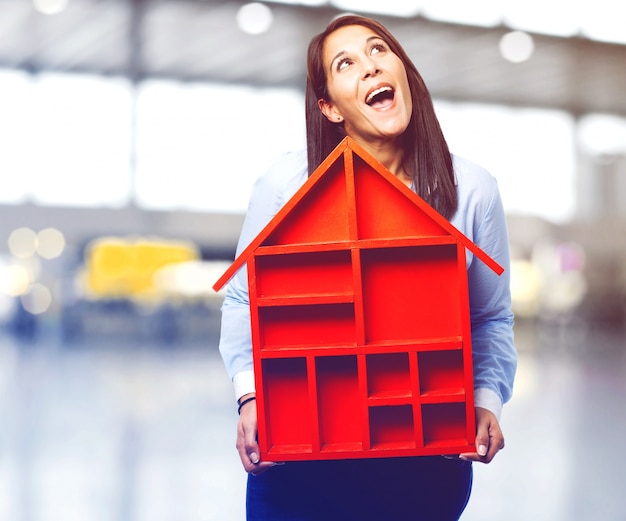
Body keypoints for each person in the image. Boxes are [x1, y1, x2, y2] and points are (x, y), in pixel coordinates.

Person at [218, 14, 517, 521]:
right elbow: (244, 298)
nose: (370, 67)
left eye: (379, 50)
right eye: (347, 63)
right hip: (301, 459)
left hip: (421, 462)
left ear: (403, 70)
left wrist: (487, 399)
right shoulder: (285, 185)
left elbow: (490, 315)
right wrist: (250, 396)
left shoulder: (472, 190)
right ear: (329, 106)